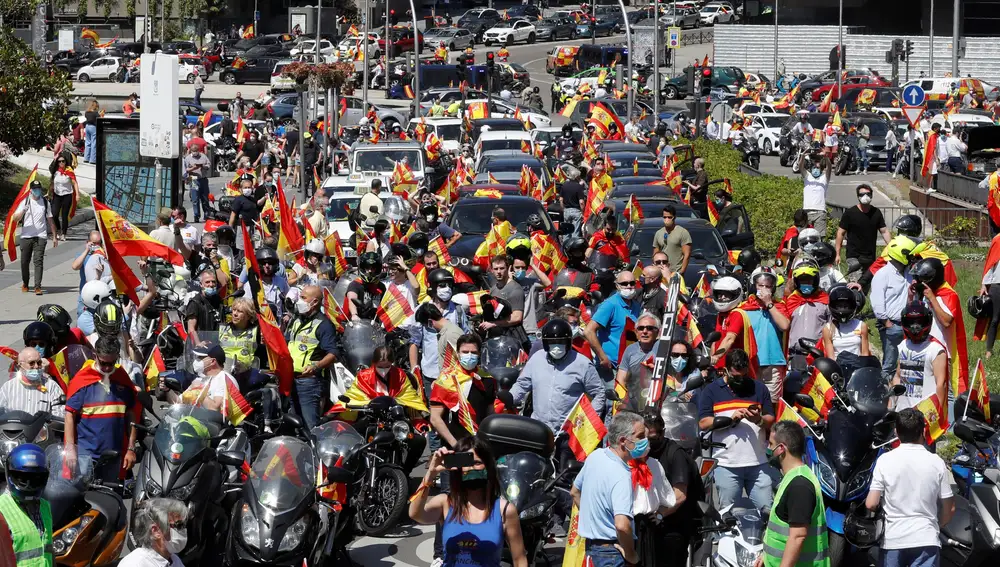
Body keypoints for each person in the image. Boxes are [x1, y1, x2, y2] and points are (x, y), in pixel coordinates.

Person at [409, 437, 528, 567]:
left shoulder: (504, 510)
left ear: (488, 466)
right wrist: (430, 474)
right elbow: (415, 513)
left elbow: (519, 559)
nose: (470, 468)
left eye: (477, 463)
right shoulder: (446, 503)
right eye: (465, 463)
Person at [866, 408, 955, 567]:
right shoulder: (937, 462)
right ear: (924, 431)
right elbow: (950, 510)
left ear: (896, 432)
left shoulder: (885, 461)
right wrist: (934, 525)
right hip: (926, 539)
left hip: (894, 540)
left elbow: (871, 503)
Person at [697, 348, 774, 512]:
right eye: (735, 376)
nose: (740, 380)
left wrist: (758, 420)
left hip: (758, 464)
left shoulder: (759, 388)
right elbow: (703, 423)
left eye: (744, 375)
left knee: (767, 511)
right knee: (729, 514)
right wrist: (729, 419)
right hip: (727, 465)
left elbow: (770, 420)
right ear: (725, 370)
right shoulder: (711, 390)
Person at [571, 411, 644, 567]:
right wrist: (631, 555)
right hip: (612, 554)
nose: (645, 440)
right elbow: (622, 525)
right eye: (641, 436)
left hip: (592, 549)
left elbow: (575, 492)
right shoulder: (622, 475)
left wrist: (595, 521)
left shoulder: (595, 456)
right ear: (624, 441)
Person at [64, 335, 140, 483]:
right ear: (95, 356)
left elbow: (132, 415)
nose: (107, 368)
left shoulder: (122, 379)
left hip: (114, 457)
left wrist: (131, 449)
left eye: (112, 363)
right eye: (103, 363)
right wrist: (70, 449)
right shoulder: (82, 381)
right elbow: (69, 416)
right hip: (86, 458)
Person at [511, 318, 605, 437]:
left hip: (568, 434)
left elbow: (598, 393)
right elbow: (522, 384)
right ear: (545, 344)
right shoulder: (536, 359)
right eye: (552, 343)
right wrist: (510, 398)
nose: (556, 347)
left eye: (560, 342)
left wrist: (588, 420)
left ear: (568, 342)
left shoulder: (582, 364)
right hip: (539, 430)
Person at [762, 421, 830, 567]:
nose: (768, 449)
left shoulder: (799, 485)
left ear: (781, 449)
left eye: (771, 444)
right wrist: (765, 556)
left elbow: (798, 536)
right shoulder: (793, 477)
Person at [646, 412, 705, 567]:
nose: (650, 440)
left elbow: (679, 495)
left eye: (654, 436)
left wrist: (660, 514)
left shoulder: (675, 454)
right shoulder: (644, 452)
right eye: (646, 436)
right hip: (651, 527)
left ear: (663, 432)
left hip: (674, 526)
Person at [910, 257, 968, 401]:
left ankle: (949, 421)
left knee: (944, 392)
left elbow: (946, 321)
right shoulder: (927, 292)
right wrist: (912, 295)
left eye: (921, 279)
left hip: (944, 353)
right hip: (926, 348)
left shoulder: (949, 295)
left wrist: (932, 299)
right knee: (927, 389)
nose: (919, 283)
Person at [285, 285, 339, 429]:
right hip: (290, 379)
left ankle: (314, 450)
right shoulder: (296, 320)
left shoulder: (324, 324)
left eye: (303, 298)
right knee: (293, 424)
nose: (299, 301)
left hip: (308, 382)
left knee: (310, 426)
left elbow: (332, 354)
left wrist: (316, 366)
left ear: (314, 302)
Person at [429, 333, 496, 449]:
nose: (469, 356)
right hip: (453, 446)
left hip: (479, 446)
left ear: (479, 354)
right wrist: (455, 445)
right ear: (458, 354)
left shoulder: (487, 380)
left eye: (474, 352)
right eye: (465, 352)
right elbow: (435, 418)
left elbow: (490, 415)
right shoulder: (446, 380)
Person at [584, 269, 644, 385]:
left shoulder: (636, 305)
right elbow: (589, 331)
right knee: (613, 402)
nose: (629, 286)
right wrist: (602, 357)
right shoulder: (610, 305)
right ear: (617, 286)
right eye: (624, 284)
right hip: (611, 368)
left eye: (632, 283)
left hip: (629, 366)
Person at [871, 236, 917, 381]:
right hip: (893, 325)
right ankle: (885, 393)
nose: (911, 258)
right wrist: (886, 323)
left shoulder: (909, 273)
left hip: (909, 324)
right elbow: (877, 301)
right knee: (890, 363)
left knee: (909, 361)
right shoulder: (883, 274)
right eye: (909, 255)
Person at [0, 444, 54, 567]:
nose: (28, 485)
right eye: (23, 479)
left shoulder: (45, 507)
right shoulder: (1, 510)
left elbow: (49, 551)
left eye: (35, 478)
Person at [744, 267, 790, 402]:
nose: (764, 289)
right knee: (751, 402)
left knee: (772, 403)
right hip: (751, 363)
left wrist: (769, 303)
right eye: (760, 285)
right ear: (754, 286)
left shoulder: (779, 306)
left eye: (768, 286)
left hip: (773, 363)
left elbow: (784, 325)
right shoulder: (744, 307)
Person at [892, 301, 948, 412]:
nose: (915, 327)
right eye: (911, 322)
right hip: (902, 410)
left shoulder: (936, 350)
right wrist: (892, 403)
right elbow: (898, 376)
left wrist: (937, 415)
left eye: (919, 322)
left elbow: (941, 385)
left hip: (926, 413)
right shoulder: (903, 345)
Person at [834, 184, 892, 278]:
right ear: (858, 197)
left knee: (866, 285)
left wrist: (892, 248)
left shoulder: (876, 213)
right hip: (854, 256)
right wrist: (837, 254)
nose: (865, 196)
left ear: (872, 196)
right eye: (862, 194)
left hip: (870, 257)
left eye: (868, 194)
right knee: (855, 285)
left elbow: (884, 231)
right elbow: (841, 232)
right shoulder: (850, 213)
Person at [12, 179, 58, 295]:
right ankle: (26, 283)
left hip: (40, 236)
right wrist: (23, 210)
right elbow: (15, 219)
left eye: (39, 189)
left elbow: (50, 220)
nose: (37, 191)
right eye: (35, 189)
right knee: (24, 262)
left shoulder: (45, 202)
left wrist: (54, 236)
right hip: (26, 236)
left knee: (38, 261)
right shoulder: (25, 201)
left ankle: (38, 286)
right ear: (31, 190)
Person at [709, 276, 759, 378]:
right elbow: (716, 341)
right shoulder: (721, 314)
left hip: (736, 369)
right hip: (722, 368)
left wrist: (716, 356)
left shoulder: (737, 314)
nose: (722, 297)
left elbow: (729, 339)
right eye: (719, 294)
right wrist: (713, 363)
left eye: (726, 295)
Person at [119, 498, 189, 567]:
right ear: (156, 531)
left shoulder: (174, 560)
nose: (183, 530)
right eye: (179, 525)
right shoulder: (135, 564)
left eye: (184, 525)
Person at [780, 262, 831, 358]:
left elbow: (832, 328)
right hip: (794, 354)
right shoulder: (790, 300)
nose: (806, 283)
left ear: (815, 280)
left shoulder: (825, 300)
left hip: (818, 353)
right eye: (802, 281)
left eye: (809, 280)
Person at [0, 346, 65, 416]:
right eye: (31, 363)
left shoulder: (51, 386)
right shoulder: (8, 387)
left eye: (39, 362)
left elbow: (60, 413)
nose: (36, 366)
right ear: (20, 366)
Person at [482, 256, 527, 345]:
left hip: (512, 338)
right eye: (496, 269)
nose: (499, 272)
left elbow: (517, 317)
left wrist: (494, 324)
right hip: (495, 338)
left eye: (502, 268)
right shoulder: (493, 289)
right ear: (492, 270)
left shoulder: (515, 289)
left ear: (508, 268)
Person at [822, 284, 871, 363]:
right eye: (839, 306)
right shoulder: (827, 329)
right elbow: (831, 358)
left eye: (846, 306)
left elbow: (865, 354)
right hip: (838, 371)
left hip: (858, 369)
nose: (842, 309)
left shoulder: (861, 325)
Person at [799, 149, 832, 236]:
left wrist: (826, 157)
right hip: (807, 212)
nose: (816, 170)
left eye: (818, 168)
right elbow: (801, 167)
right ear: (811, 169)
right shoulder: (807, 177)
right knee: (805, 237)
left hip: (820, 212)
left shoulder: (824, 178)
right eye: (814, 168)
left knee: (819, 238)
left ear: (821, 170)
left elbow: (829, 168)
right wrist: (803, 155)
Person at [185, 270, 224, 344]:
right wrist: (198, 343)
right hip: (202, 344)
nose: (211, 284)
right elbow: (191, 329)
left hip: (217, 344)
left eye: (213, 282)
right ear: (201, 284)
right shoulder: (195, 302)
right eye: (207, 282)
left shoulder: (218, 300)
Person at [652, 205, 692, 276]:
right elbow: (655, 253)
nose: (667, 219)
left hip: (676, 272)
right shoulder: (658, 233)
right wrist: (656, 268)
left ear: (674, 217)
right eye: (665, 217)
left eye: (669, 217)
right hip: (661, 272)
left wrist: (681, 271)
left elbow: (687, 254)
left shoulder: (682, 232)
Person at [49, 155, 78, 241]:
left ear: (65, 162)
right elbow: (52, 184)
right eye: (59, 161)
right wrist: (49, 193)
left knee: (64, 216)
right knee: (54, 214)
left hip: (67, 195)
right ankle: (58, 230)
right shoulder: (56, 172)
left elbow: (75, 183)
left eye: (63, 161)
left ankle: (64, 234)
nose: (61, 163)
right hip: (57, 195)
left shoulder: (69, 171)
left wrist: (77, 195)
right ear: (57, 163)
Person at [184, 144, 212, 222]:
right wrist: (193, 168)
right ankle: (196, 215)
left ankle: (207, 214)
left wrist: (203, 167)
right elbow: (185, 170)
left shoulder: (203, 156)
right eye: (193, 151)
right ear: (190, 151)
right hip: (193, 179)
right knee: (195, 198)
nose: (195, 153)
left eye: (196, 151)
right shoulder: (188, 158)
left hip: (203, 179)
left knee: (205, 198)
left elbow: (208, 165)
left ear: (198, 150)